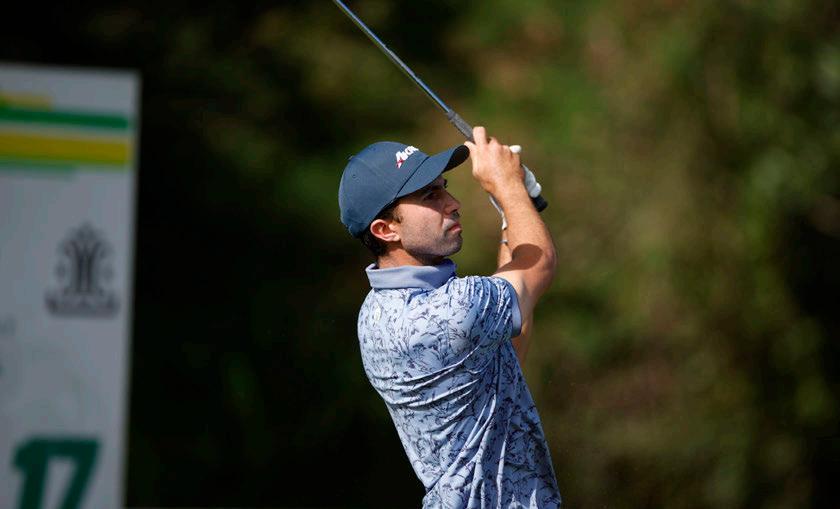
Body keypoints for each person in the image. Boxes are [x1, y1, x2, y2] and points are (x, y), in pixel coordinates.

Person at [338, 126, 562, 508]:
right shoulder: (445, 314)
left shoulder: (375, 313)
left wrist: (512, 213)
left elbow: (506, 347)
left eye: (443, 187)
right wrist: (509, 188)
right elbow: (538, 266)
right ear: (386, 229)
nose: (453, 202)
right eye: (430, 195)